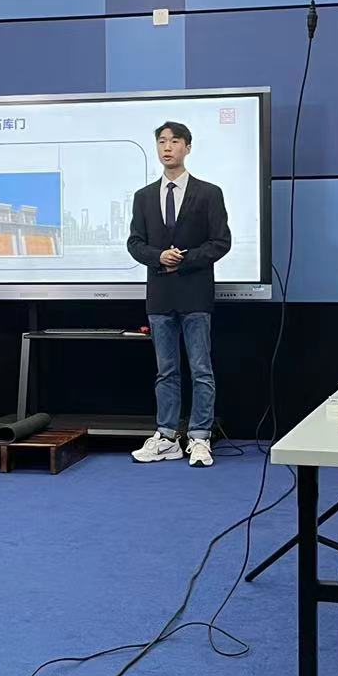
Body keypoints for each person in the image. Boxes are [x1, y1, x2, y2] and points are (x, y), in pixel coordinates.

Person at [126, 121, 231, 468]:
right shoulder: (143, 196)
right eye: (161, 141)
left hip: (195, 294)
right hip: (160, 297)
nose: (167, 147)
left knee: (201, 369)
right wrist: (158, 256)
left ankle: (200, 436)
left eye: (174, 141)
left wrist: (184, 260)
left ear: (187, 147)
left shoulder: (209, 193)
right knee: (166, 371)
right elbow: (134, 243)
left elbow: (221, 242)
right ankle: (167, 436)